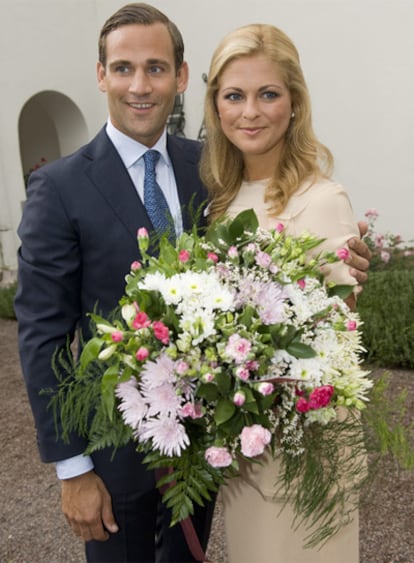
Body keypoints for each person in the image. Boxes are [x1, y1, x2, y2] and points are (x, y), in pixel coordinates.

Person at [14, 4, 369, 563]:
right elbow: (42, 335)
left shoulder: (210, 172)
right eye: (124, 67)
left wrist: (343, 267)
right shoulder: (58, 188)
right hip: (116, 463)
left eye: (156, 68)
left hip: (212, 458)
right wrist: (72, 468)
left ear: (181, 78)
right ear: (101, 74)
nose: (140, 85)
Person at [199, 23, 364, 562]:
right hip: (245, 456)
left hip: (306, 460)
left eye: (268, 94)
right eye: (234, 96)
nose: (250, 112)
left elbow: (337, 347)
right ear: (216, 107)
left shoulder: (321, 199)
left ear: (294, 103)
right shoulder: (218, 205)